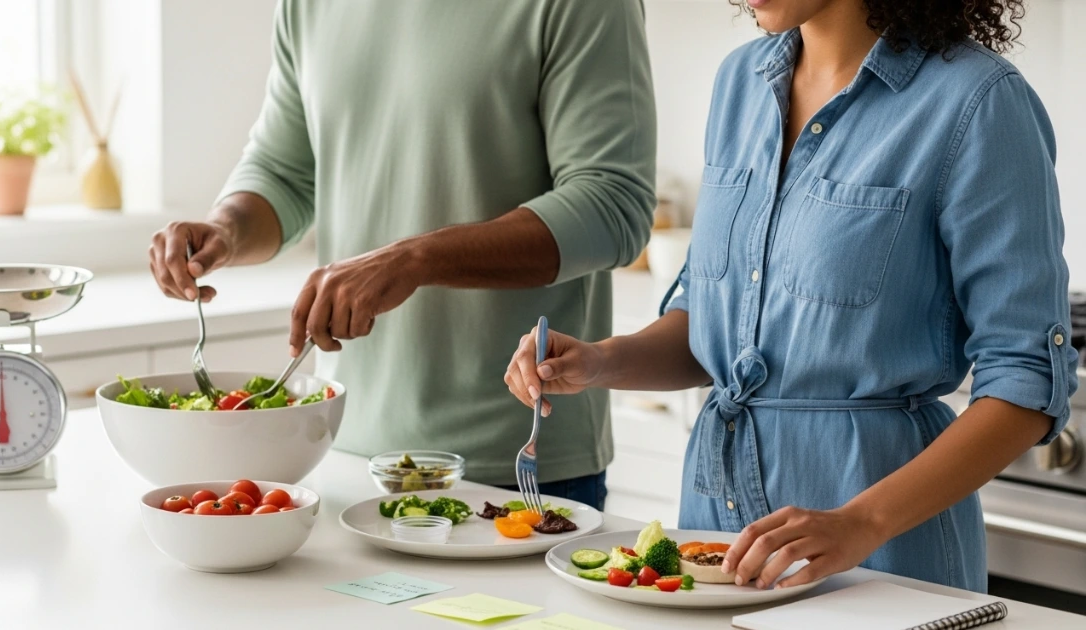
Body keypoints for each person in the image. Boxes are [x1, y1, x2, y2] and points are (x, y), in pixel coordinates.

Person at [504, 0, 1076, 590]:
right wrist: (602, 361)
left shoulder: (977, 102)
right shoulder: (740, 83)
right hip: (716, 540)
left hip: (880, 558)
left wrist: (860, 522)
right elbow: (711, 319)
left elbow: (1026, 379)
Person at [146, 0, 657, 509]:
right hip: (343, 455)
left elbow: (612, 205)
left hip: (513, 469)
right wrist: (225, 228)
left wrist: (416, 259)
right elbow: (283, 171)